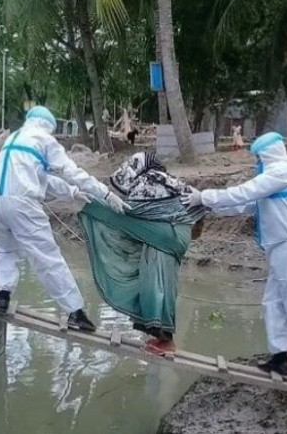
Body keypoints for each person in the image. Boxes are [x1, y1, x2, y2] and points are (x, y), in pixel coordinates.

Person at [181, 132, 287, 383]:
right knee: (273, 302)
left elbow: (245, 193)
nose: (256, 161)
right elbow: (245, 205)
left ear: (266, 155)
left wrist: (205, 196)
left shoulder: (283, 171)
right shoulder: (276, 178)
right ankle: (279, 357)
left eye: (257, 156)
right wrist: (204, 202)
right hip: (284, 246)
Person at [0, 106, 130, 332]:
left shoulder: (14, 138)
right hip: (22, 203)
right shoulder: (44, 140)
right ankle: (75, 312)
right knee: (47, 256)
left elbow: (41, 178)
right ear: (48, 126)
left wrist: (71, 193)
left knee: (4, 246)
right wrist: (106, 194)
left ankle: (3, 294)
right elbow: (73, 172)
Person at [78, 152, 206, 355]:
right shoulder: (165, 179)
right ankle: (161, 340)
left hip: (168, 235)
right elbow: (198, 211)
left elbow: (131, 212)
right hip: (174, 234)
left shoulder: (146, 182)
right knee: (154, 278)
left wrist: (94, 205)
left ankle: (167, 342)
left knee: (106, 211)